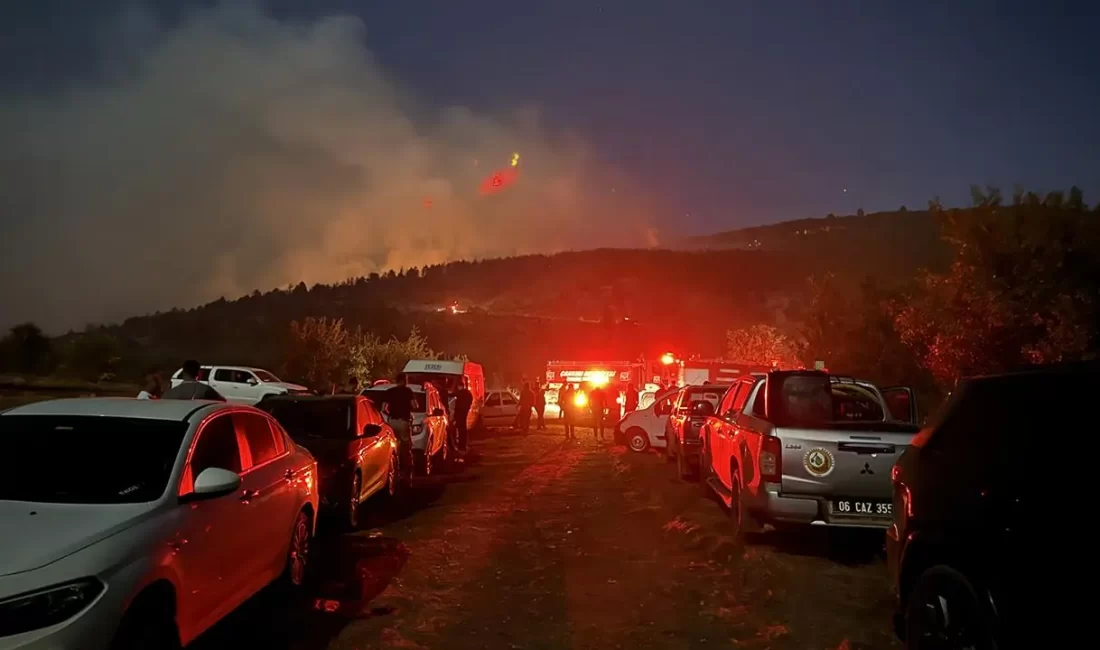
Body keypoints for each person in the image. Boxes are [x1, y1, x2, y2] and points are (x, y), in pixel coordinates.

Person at [385, 373, 417, 483]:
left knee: (394, 446)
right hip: (403, 421)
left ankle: (395, 469)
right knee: (406, 446)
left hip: (392, 422)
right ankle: (408, 472)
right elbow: (414, 405)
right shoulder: (408, 391)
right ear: (403, 381)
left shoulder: (390, 392)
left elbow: (384, 407)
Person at [453, 377, 474, 456]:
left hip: (460, 413)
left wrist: (455, 415)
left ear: (459, 386)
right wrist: (467, 407)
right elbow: (470, 400)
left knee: (460, 429)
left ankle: (461, 445)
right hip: (464, 412)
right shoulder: (468, 393)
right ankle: (463, 445)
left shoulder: (460, 394)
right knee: (463, 429)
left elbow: (457, 405)